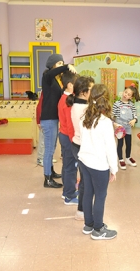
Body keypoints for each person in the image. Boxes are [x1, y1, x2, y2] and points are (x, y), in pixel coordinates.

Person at [79, 84, 118, 240]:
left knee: (88, 192)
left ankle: (88, 224)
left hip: (84, 161)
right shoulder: (105, 122)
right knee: (100, 196)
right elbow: (110, 148)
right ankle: (98, 229)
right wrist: (114, 169)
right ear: (107, 100)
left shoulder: (84, 117)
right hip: (98, 165)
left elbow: (83, 139)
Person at [40, 54, 77, 188]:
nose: (61, 65)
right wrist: (67, 66)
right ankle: (47, 179)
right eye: (59, 63)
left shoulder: (55, 80)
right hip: (48, 119)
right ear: (53, 65)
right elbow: (53, 72)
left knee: (52, 147)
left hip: (52, 119)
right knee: (49, 149)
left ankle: (51, 171)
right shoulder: (47, 77)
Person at [70, 76, 95, 220]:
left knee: (85, 179)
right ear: (84, 92)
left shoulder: (76, 105)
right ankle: (81, 210)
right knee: (86, 181)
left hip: (77, 145)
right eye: (91, 89)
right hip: (83, 147)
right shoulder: (85, 108)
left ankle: (82, 209)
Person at [58, 71, 79, 205]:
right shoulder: (67, 101)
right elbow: (70, 125)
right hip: (68, 137)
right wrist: (75, 142)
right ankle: (69, 196)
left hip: (64, 135)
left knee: (67, 165)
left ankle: (67, 190)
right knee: (71, 167)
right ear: (70, 85)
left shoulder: (66, 97)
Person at [113, 85, 140, 170]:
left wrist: (134, 120)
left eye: (129, 94)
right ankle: (121, 159)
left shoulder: (131, 105)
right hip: (120, 127)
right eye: (125, 92)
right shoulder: (117, 104)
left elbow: (135, 116)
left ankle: (128, 158)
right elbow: (112, 116)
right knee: (120, 144)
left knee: (129, 144)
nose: (126, 95)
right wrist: (114, 123)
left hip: (128, 127)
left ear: (131, 97)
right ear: (123, 91)